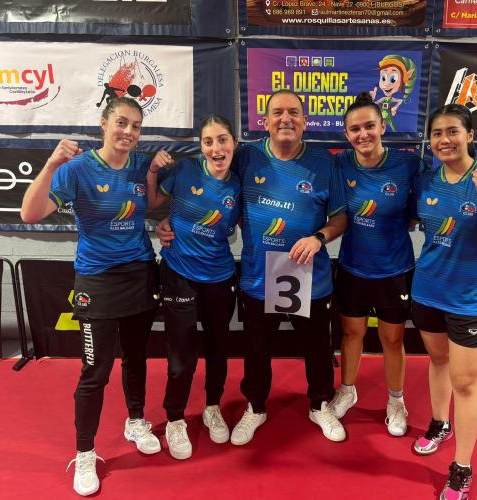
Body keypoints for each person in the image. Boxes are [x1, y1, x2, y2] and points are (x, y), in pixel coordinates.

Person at [158, 90, 348, 445]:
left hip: (308, 273)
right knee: (257, 349)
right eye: (277, 112)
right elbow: (208, 184)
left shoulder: (325, 163)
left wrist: (318, 238)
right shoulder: (245, 156)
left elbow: (340, 217)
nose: (285, 119)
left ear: (305, 121)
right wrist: (173, 221)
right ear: (265, 121)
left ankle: (320, 404)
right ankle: (256, 406)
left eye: (293, 112)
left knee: (317, 348)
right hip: (259, 275)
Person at [21, 97, 163, 497]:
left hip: (140, 273)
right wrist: (51, 165)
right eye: (121, 123)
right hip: (97, 280)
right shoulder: (77, 169)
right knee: (95, 371)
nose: (128, 132)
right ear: (104, 123)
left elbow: (155, 204)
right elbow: (30, 214)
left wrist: (166, 212)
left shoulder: (141, 165)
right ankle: (85, 453)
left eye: (136, 126)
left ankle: (135, 421)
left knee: (136, 357)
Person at [411, 104, 477, 500]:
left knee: (466, 382)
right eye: (437, 133)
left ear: (469, 135)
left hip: (471, 299)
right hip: (428, 290)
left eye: (452, 131)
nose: (444, 140)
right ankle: (440, 424)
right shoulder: (426, 180)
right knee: (438, 361)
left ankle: (462, 468)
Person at [145, 115, 241, 459]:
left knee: (218, 348)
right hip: (179, 272)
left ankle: (212, 406)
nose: (216, 148)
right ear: (201, 147)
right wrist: (152, 172)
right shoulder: (185, 170)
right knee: (182, 354)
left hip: (220, 276)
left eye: (222, 140)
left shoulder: (239, 184)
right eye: (208, 142)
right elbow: (153, 203)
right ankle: (175, 418)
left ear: (234, 144)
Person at [327, 92, 421, 437]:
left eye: (369, 126)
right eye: (355, 129)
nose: (363, 134)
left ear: (382, 126)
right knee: (351, 333)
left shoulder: (408, 165)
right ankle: (347, 390)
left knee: (392, 339)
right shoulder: (339, 165)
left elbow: (419, 212)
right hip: (352, 268)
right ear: (346, 134)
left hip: (395, 270)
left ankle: (396, 400)